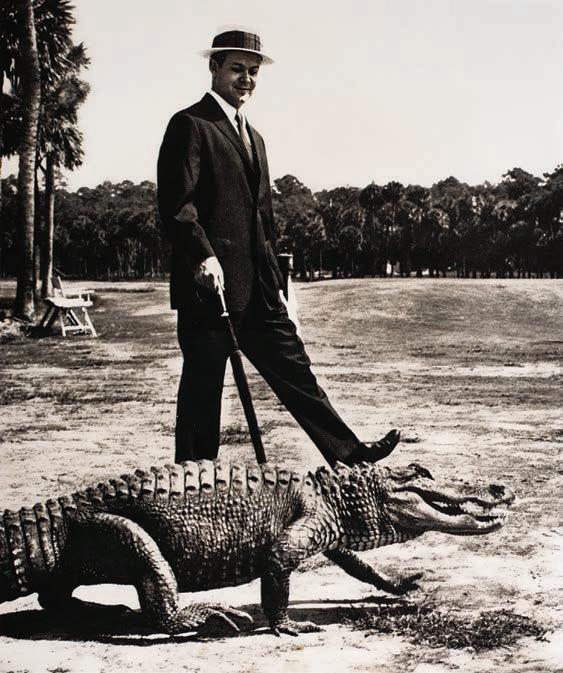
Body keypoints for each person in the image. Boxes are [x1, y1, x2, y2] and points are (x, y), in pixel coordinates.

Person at [157, 27, 399, 467]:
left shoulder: (256, 138)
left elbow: (262, 224)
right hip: (209, 288)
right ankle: (192, 481)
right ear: (214, 67)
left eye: (253, 71)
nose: (246, 79)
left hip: (259, 292)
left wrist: (277, 287)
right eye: (237, 69)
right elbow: (178, 205)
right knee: (203, 389)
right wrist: (202, 255)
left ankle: (350, 457)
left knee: (296, 370)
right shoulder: (190, 125)